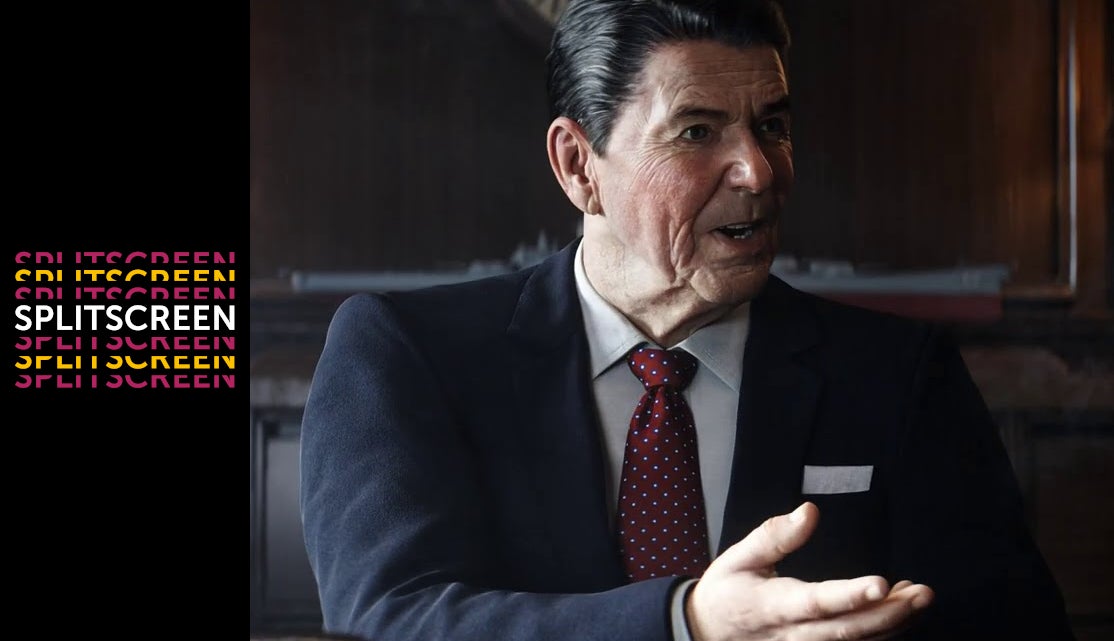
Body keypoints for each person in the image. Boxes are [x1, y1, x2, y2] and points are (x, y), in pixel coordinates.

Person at [299, 1, 1075, 639]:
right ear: (578, 165)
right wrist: (686, 621)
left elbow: (1014, 626)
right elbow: (387, 619)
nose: (758, 171)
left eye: (772, 125)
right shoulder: (408, 354)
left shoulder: (898, 373)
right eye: (698, 131)